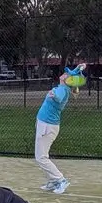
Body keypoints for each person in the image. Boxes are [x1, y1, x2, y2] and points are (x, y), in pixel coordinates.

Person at [34, 63, 85, 194]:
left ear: (68, 80)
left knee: (41, 157)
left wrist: (54, 96)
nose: (65, 73)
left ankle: (60, 179)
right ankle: (53, 181)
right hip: (46, 125)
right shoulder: (64, 86)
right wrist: (79, 68)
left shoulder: (62, 90)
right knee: (42, 156)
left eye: (67, 74)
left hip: (47, 126)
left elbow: (59, 97)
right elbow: (72, 75)